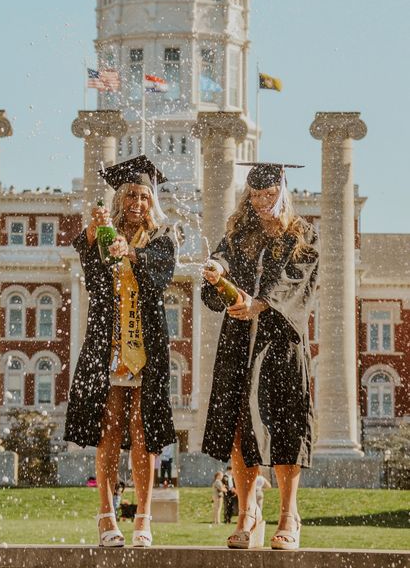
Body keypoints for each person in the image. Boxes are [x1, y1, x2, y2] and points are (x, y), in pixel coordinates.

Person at [202, 163, 319, 550]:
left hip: (280, 343)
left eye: (269, 196)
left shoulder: (303, 236)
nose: (262, 203)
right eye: (255, 196)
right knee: (239, 424)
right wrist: (216, 269)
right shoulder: (240, 234)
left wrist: (261, 304)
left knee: (286, 426)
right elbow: (223, 258)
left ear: (282, 193)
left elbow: (294, 283)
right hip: (239, 341)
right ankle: (248, 512)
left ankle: (289, 514)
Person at [64, 155, 177, 548]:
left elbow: (161, 276)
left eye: (144, 196)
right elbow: (95, 285)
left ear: (152, 201)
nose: (137, 203)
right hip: (108, 347)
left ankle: (143, 519)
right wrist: (95, 240)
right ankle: (106, 514)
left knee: (143, 434)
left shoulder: (162, 238)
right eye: (131, 195)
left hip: (146, 349)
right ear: (119, 198)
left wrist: (131, 254)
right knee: (108, 429)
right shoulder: (102, 237)